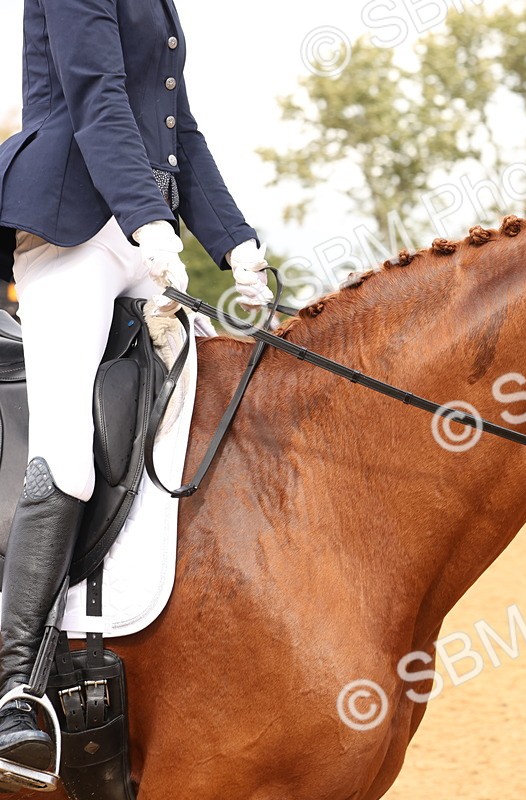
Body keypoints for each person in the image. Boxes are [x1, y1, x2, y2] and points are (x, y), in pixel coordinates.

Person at [0, 0, 273, 782]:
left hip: (140, 226)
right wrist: (152, 223)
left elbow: (180, 129)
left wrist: (236, 243)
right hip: (71, 227)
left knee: (205, 400)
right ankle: (14, 690)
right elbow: (96, 92)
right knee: (67, 450)